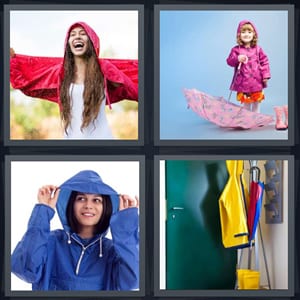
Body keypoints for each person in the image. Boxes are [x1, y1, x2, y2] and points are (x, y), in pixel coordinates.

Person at [11, 170, 139, 290]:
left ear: (106, 207)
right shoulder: (49, 241)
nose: (88, 206)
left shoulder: (113, 253)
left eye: (96, 200)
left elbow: (134, 280)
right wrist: (43, 211)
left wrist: (126, 224)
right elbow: (25, 270)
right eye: (81, 199)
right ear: (70, 204)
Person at [10, 21, 138, 139]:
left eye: (83, 34)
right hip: (70, 140)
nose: (77, 37)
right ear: (68, 43)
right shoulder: (61, 73)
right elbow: (32, 82)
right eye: (72, 34)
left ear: (92, 41)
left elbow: (132, 86)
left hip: (102, 139)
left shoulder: (104, 68)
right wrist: (13, 61)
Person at [226, 20, 271, 114]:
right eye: (243, 32)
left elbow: (264, 62)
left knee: (256, 101)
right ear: (239, 35)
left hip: (257, 82)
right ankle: (247, 119)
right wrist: (237, 58)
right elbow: (229, 61)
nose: (246, 34)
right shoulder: (236, 50)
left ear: (254, 34)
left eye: (249, 32)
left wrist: (265, 75)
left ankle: (256, 117)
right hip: (243, 82)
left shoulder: (258, 49)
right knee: (246, 103)